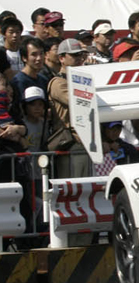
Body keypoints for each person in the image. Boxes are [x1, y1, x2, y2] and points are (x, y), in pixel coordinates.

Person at [47, 39, 90, 178]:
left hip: (86, 141)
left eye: (80, 55)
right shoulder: (58, 83)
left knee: (88, 188)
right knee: (72, 189)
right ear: (61, 58)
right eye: (74, 55)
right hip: (70, 142)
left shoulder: (82, 80)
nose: (79, 59)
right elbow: (81, 101)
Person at [12, 37, 49, 106]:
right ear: (24, 58)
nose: (39, 58)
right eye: (34, 54)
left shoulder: (43, 80)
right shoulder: (19, 81)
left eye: (41, 53)